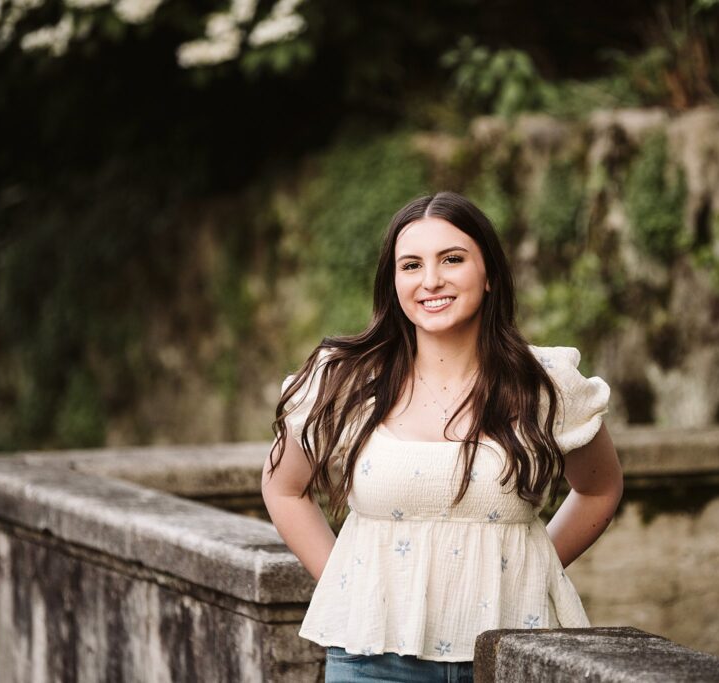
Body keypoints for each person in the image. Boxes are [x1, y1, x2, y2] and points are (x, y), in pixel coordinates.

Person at [262, 191, 623, 682]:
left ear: (489, 273)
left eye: (452, 259)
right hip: (374, 660)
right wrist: (348, 582)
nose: (431, 280)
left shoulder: (547, 382)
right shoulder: (343, 381)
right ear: (393, 283)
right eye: (411, 265)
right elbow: (284, 488)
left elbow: (600, 487)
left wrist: (528, 566)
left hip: (512, 652)